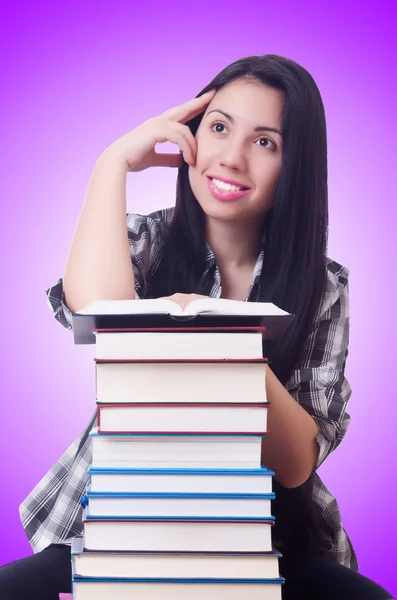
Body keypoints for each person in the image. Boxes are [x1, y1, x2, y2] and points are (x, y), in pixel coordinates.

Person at [0, 54, 392, 600]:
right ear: (191, 135)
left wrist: (220, 337)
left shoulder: (323, 286)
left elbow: (298, 460)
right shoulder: (147, 241)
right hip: (120, 526)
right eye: (219, 127)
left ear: (296, 164)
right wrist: (112, 162)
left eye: (265, 142)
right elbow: (94, 307)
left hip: (267, 537)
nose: (231, 158)